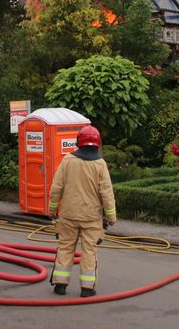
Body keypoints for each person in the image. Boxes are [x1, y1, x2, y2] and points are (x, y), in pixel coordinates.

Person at [47, 125, 117, 297]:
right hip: (91, 218)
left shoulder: (68, 160)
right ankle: (87, 288)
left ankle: (60, 285)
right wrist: (111, 217)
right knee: (89, 252)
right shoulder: (100, 164)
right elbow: (107, 193)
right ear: (97, 143)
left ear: (78, 142)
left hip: (68, 215)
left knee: (65, 248)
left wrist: (52, 210)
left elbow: (56, 188)